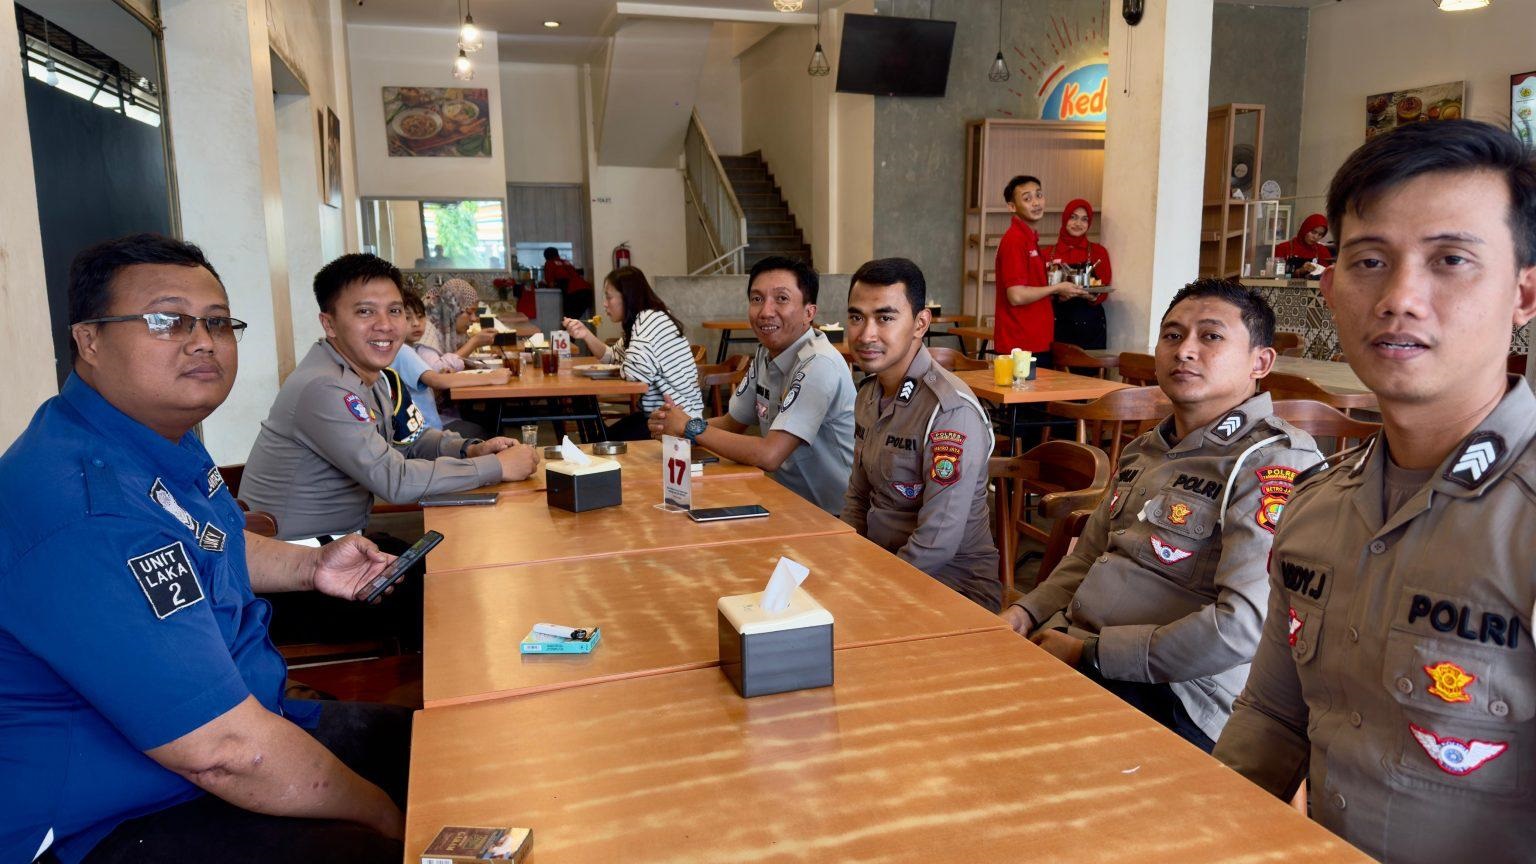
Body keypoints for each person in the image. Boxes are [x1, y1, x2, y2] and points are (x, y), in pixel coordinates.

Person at [0, 234, 409, 863]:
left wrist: (309, 565)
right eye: (167, 321)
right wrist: (383, 814)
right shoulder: (87, 508)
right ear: (89, 340)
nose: (202, 340)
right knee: (399, 825)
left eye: (218, 322)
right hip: (112, 815)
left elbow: (208, 541)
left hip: (241, 726)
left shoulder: (153, 435)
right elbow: (224, 755)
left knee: (443, 746)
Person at [1213, 120, 1536, 863]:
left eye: (1450, 260)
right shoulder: (1317, 504)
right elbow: (1270, 716)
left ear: (1524, 292)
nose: (1400, 298)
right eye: (1369, 261)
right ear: (1329, 290)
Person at [1003, 278, 1323, 751]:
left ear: (1261, 361)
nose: (1185, 351)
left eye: (1211, 337)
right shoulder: (1146, 449)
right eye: (1172, 335)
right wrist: (1025, 611)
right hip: (1074, 648)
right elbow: (1087, 556)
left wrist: (1090, 653)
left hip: (1179, 696)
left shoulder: (1272, 462)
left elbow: (1240, 628)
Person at [240, 254, 538, 544]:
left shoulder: (373, 376)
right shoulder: (325, 388)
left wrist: (471, 450)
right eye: (366, 312)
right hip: (298, 563)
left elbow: (408, 442)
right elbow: (394, 480)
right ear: (329, 324)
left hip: (342, 547)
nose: (385, 325)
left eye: (394, 311)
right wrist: (496, 467)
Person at [841, 258, 1000, 611]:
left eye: (884, 318)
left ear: (920, 323)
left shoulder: (949, 412)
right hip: (881, 570)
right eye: (856, 318)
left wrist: (868, 594)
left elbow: (937, 543)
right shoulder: (869, 394)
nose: (866, 334)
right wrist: (844, 562)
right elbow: (857, 496)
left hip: (950, 589)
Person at [648, 256, 854, 514]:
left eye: (781, 298)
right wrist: (675, 425)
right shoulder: (765, 355)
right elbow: (731, 424)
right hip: (787, 503)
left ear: (809, 312)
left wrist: (689, 426)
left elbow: (769, 455)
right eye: (757, 299)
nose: (766, 311)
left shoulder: (818, 363)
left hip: (834, 517)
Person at [561, 266, 703, 441]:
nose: (605, 304)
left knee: (603, 442)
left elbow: (636, 374)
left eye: (609, 296)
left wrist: (623, 366)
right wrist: (585, 334)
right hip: (657, 415)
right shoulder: (642, 320)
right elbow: (612, 357)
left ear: (627, 297)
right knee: (602, 438)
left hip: (678, 421)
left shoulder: (650, 321)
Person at [993, 175, 1092, 365]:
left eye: (1039, 195)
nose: (1036, 203)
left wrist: (1058, 293)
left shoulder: (1029, 238)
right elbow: (1016, 295)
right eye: (1027, 198)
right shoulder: (1015, 240)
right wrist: (1056, 288)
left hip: (1034, 340)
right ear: (1012, 206)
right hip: (1021, 343)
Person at [391, 288, 508, 436]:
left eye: (420, 317)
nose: (416, 323)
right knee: (483, 430)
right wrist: (492, 377)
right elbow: (437, 381)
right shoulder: (403, 350)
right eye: (407, 318)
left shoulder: (408, 348)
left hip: (423, 427)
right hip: (425, 433)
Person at [1044, 197, 1113, 350]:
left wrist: (1091, 296)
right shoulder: (1047, 253)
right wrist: (1057, 295)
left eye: (1084, 219)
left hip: (1089, 326)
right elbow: (1038, 289)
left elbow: (1104, 289)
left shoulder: (1098, 252)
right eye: (1073, 217)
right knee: (1055, 372)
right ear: (1065, 219)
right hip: (1056, 324)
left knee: (1087, 372)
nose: (1078, 223)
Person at [542, 246, 592, 320]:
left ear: (546, 257)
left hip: (574, 293)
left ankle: (565, 330)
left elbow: (551, 284)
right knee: (572, 320)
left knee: (568, 320)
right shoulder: (566, 262)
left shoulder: (549, 263)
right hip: (587, 291)